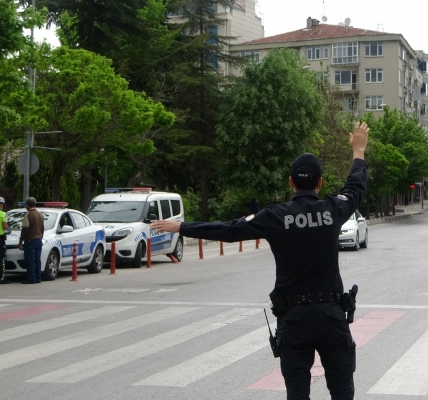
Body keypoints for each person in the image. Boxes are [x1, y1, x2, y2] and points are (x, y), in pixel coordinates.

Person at [151, 121, 369, 400]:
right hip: (332, 319)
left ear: (290, 182)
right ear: (320, 182)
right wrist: (358, 151)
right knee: (342, 392)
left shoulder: (275, 216)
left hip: (294, 321)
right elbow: (355, 188)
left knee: (297, 393)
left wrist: (182, 227)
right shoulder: (333, 209)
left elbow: (229, 230)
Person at [18, 197, 44, 284]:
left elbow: (25, 229)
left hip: (30, 240)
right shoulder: (40, 215)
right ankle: (38, 278)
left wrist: (21, 241)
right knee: (37, 260)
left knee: (30, 260)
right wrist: (40, 237)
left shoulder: (28, 215)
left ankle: (31, 278)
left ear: (27, 205)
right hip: (38, 240)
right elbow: (42, 228)